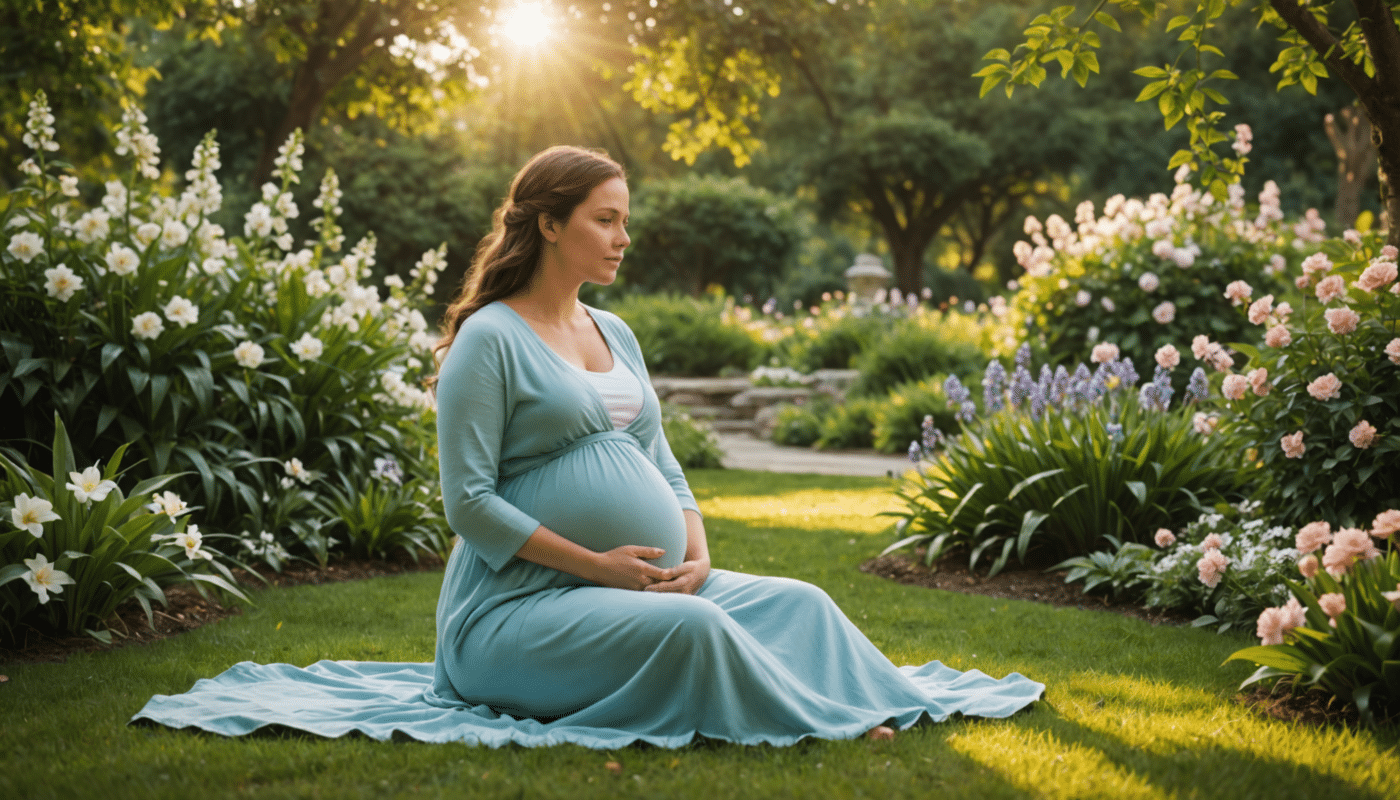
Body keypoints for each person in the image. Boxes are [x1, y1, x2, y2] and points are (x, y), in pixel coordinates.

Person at [132, 146, 1043, 747]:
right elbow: (470, 503)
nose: (623, 235)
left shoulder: (618, 332)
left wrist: (698, 551)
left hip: (641, 580)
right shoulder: (488, 338)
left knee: (797, 601)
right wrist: (597, 568)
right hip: (514, 614)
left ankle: (869, 701)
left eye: (625, 218)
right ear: (549, 223)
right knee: (694, 630)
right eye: (606, 218)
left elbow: (665, 463)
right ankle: (822, 727)